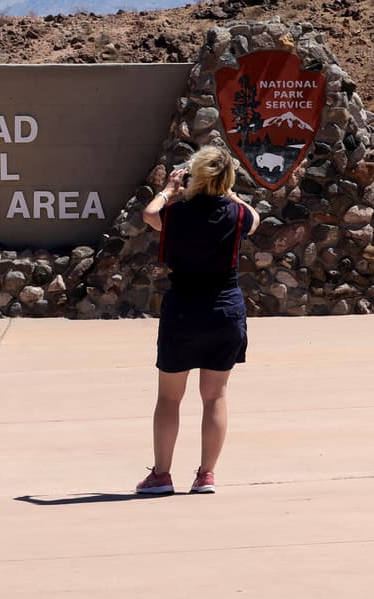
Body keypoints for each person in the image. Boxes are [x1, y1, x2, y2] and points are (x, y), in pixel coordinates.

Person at [135, 144, 260, 495]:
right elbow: (255, 219)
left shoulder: (176, 213)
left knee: (170, 398)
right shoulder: (236, 215)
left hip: (183, 310)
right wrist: (232, 194)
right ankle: (206, 475)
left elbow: (149, 214)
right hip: (225, 310)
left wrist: (168, 190)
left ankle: (161, 475)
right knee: (215, 396)